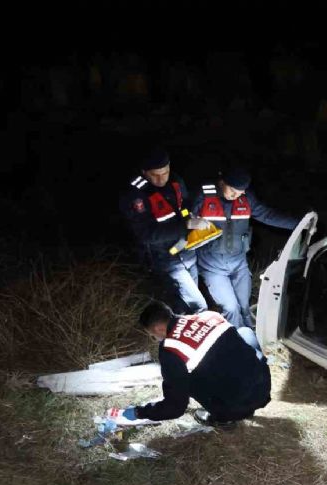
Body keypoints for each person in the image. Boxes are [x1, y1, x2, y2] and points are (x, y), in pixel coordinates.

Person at [112, 300, 271, 426]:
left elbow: (175, 407)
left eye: (152, 335)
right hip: (263, 387)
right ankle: (243, 402)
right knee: (244, 333)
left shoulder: (171, 349)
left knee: (184, 380)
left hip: (237, 406)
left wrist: (140, 412)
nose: (154, 339)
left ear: (159, 329)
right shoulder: (209, 316)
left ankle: (225, 417)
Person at [190, 167, 298, 328]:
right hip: (212, 267)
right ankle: (238, 340)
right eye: (233, 190)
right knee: (230, 307)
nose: (236, 196)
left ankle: (251, 333)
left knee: (244, 306)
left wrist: (298, 225)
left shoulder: (245, 197)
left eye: (241, 192)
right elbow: (183, 215)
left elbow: (267, 214)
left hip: (239, 263)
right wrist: (189, 222)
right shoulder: (203, 195)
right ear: (222, 182)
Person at [118, 147, 208, 314]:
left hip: (187, 251)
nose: (161, 179)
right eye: (155, 175)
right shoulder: (135, 195)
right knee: (197, 306)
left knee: (189, 305)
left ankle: (183, 330)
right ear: (144, 172)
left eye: (165, 172)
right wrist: (185, 226)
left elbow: (185, 205)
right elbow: (145, 234)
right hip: (166, 259)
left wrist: (190, 217)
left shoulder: (176, 181)